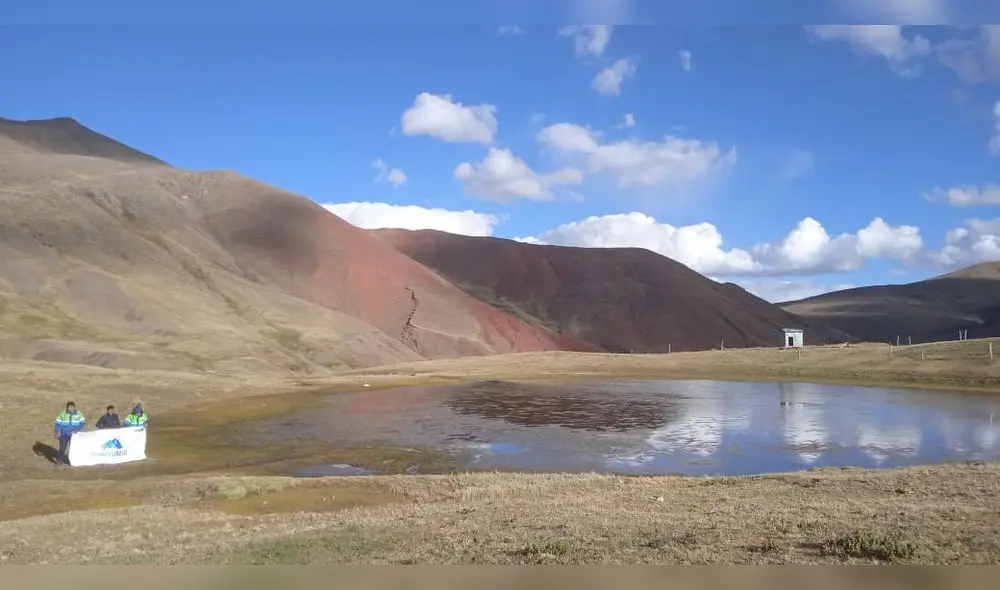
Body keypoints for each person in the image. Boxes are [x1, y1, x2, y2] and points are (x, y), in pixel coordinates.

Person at [53, 401, 86, 465]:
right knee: (62, 448)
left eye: (72, 407)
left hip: (74, 435)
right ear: (67, 408)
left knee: (73, 448)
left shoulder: (79, 414)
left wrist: (78, 429)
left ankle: (73, 462)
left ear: (74, 408)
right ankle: (59, 461)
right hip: (64, 434)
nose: (70, 409)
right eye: (69, 407)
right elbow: (57, 423)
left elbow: (82, 423)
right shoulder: (62, 414)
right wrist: (57, 432)